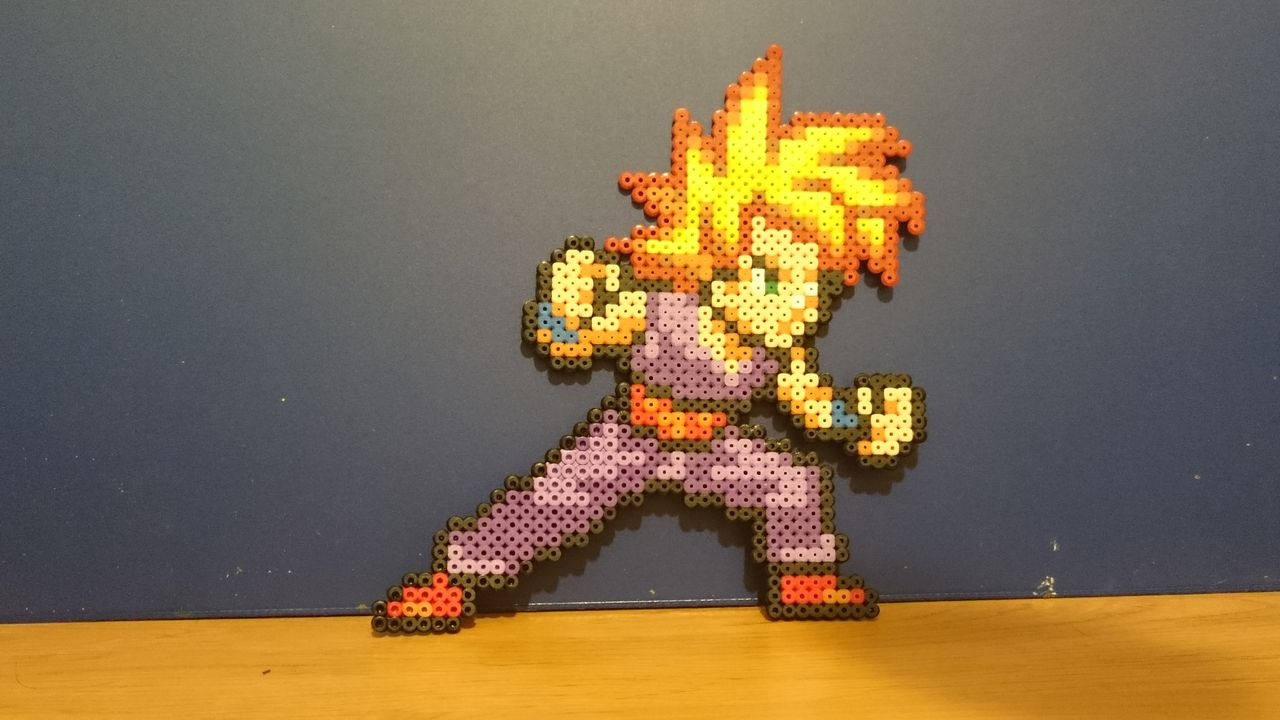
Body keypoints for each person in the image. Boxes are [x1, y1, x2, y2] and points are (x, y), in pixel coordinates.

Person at [373, 45, 927, 634]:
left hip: (716, 445)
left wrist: (864, 422)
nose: (796, 302)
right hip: (632, 432)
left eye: (814, 285)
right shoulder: (668, 305)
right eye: (771, 275)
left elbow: (811, 404)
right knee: (552, 500)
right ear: (721, 245)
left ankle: (803, 579)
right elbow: (591, 325)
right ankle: (454, 578)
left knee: (792, 482)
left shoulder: (777, 353)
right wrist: (570, 308)